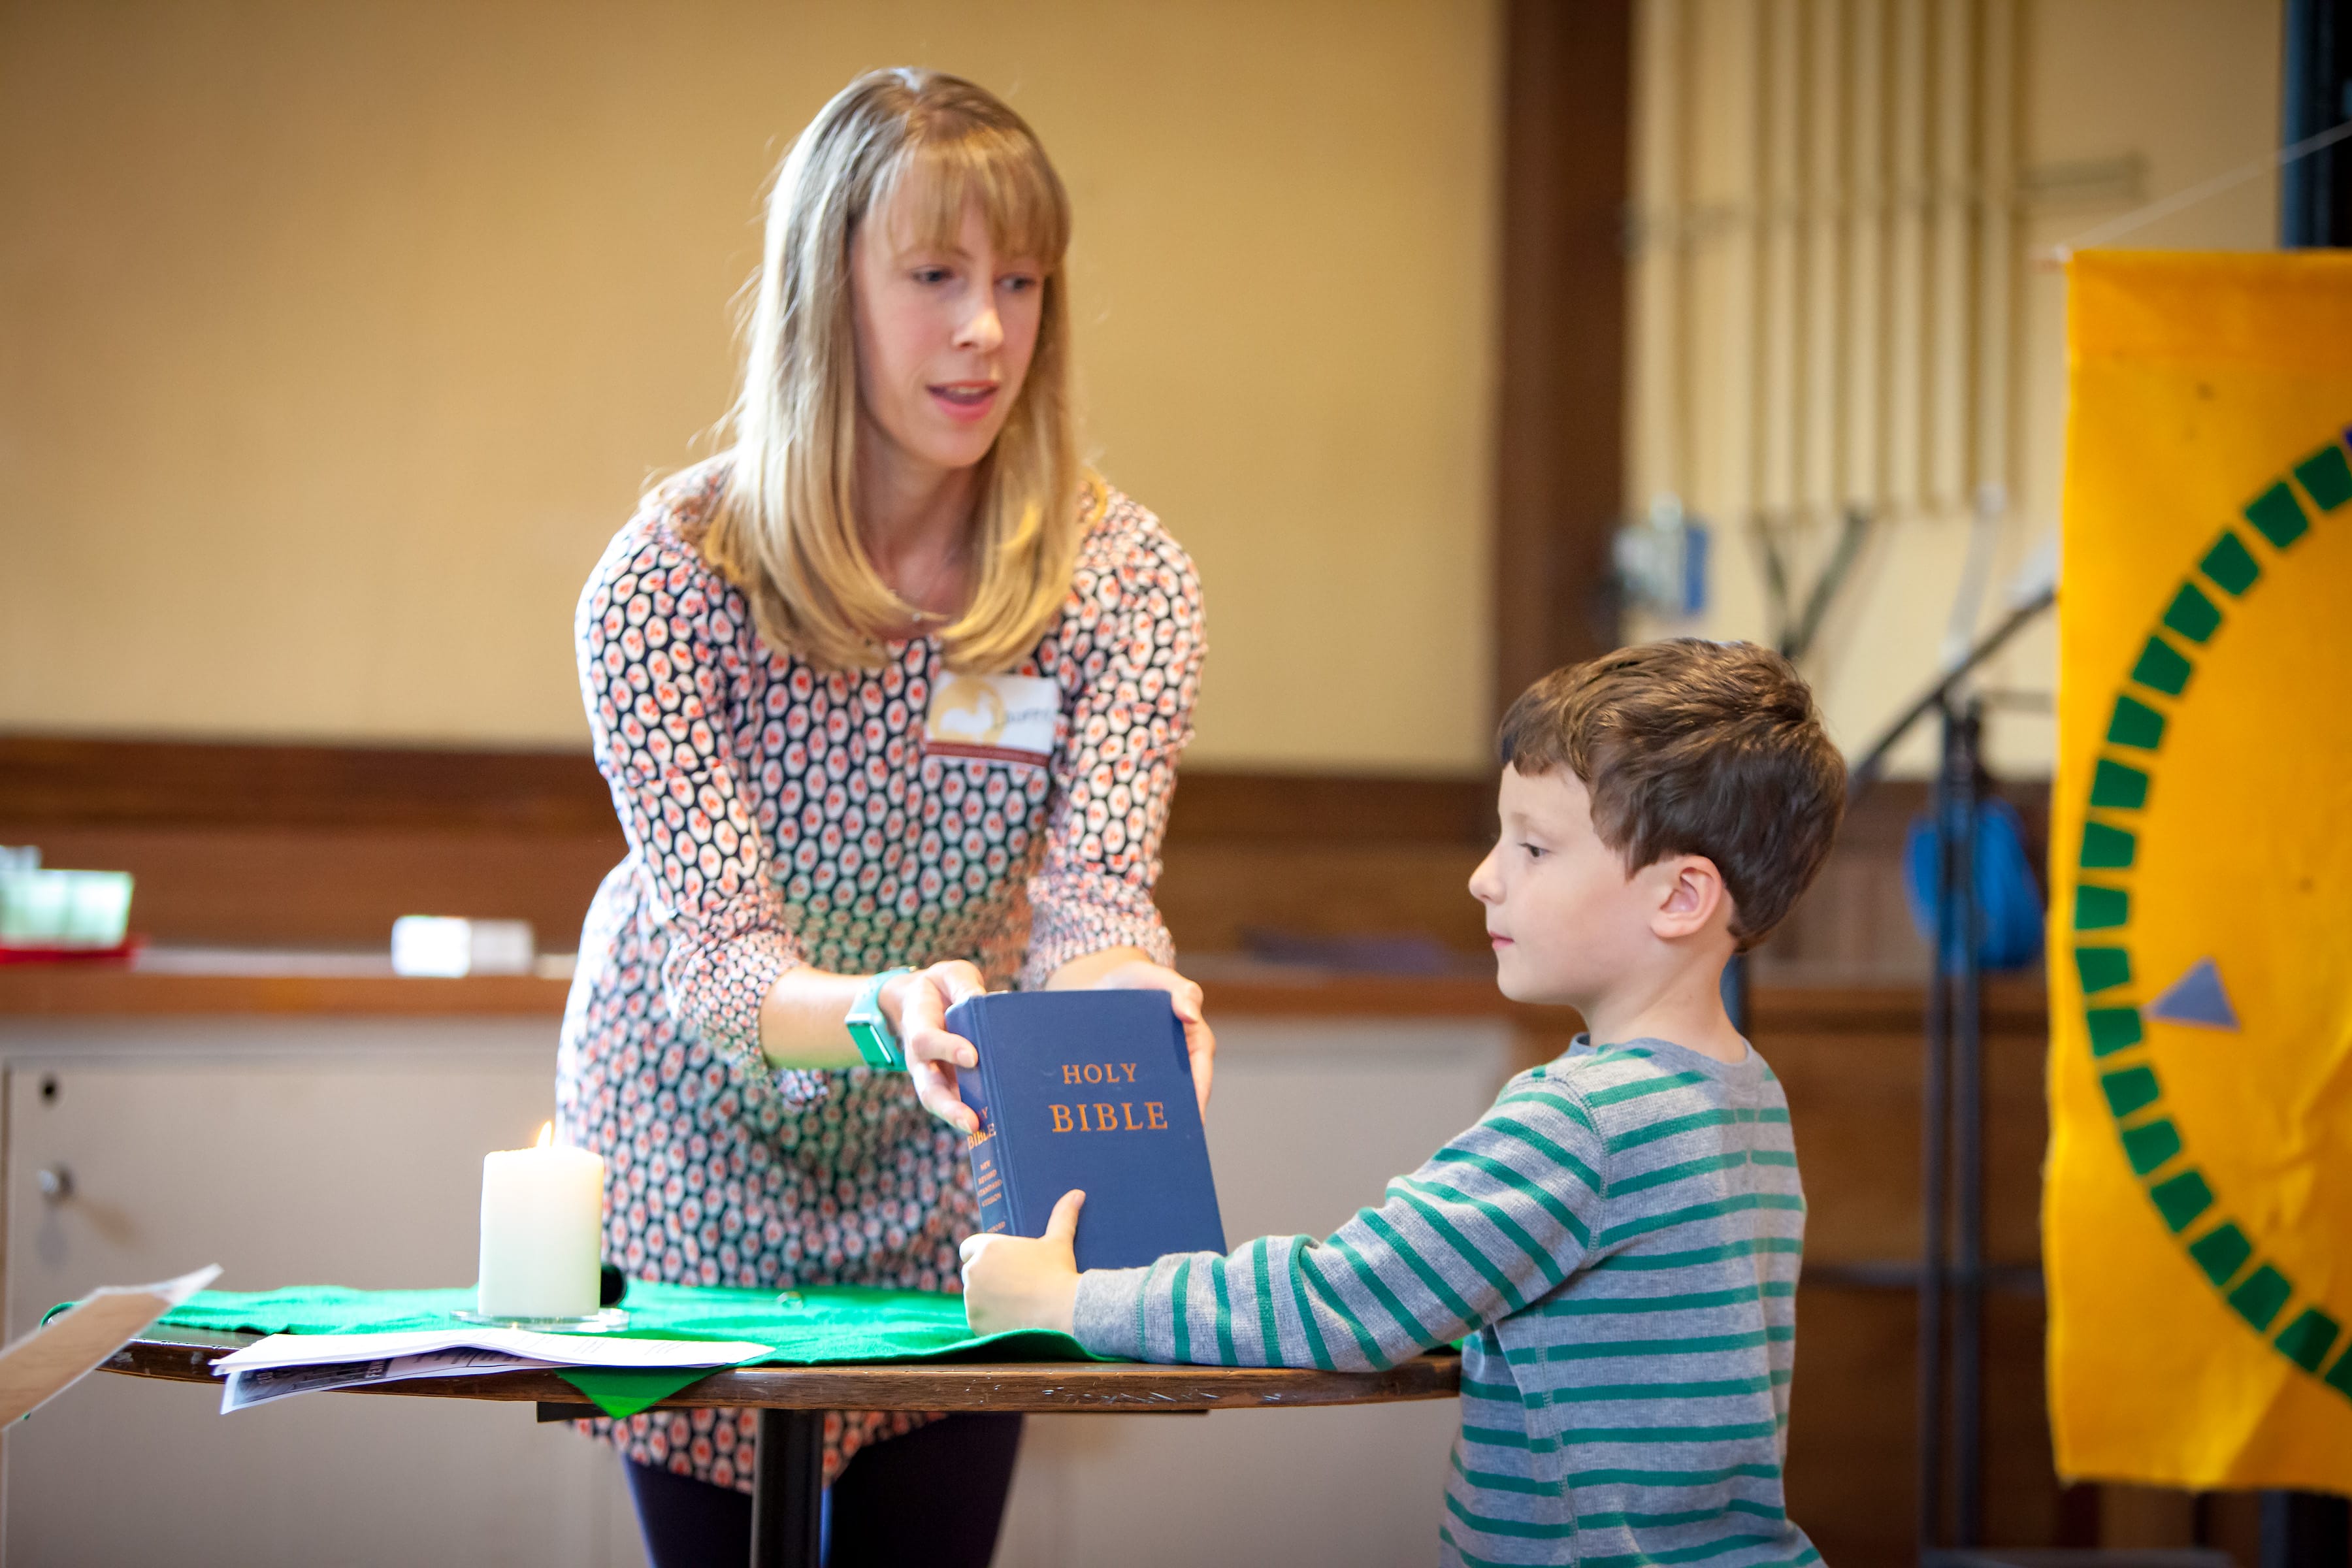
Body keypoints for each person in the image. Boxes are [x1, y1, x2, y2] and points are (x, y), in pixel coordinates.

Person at [558, 67, 1213, 1568]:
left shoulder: (1122, 582)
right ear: (826, 289)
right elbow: (723, 964)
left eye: (1020, 280)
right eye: (934, 276)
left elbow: (1098, 902)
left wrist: (1136, 1006)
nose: (985, 328)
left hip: (957, 1161)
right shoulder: (670, 585)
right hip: (695, 1152)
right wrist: (883, 1011)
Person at [964, 639, 1846, 1567]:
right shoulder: (1747, 1095)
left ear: (1682, 897)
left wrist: (1069, 1300)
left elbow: (1338, 1301)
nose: (1485, 877)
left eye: (1535, 847)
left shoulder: (1583, 1122)